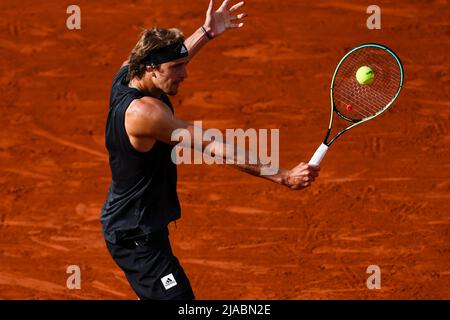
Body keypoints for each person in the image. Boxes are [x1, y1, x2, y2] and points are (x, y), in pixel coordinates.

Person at [100, 0, 320, 300]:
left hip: (138, 222)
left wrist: (206, 32)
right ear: (151, 69)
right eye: (176, 68)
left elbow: (174, 54)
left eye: (183, 65)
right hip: (136, 236)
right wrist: (282, 176)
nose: (184, 75)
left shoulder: (126, 74)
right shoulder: (144, 114)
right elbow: (214, 146)